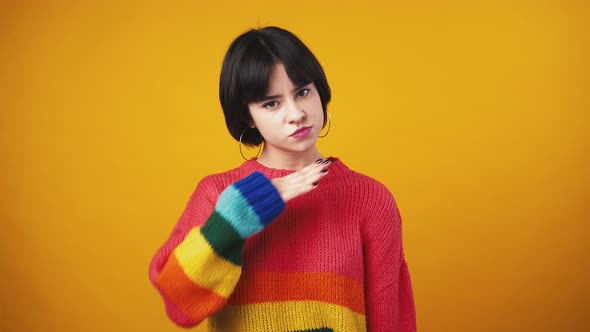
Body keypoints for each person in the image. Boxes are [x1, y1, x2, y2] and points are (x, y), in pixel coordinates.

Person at [149, 26, 416, 331]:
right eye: (271, 103)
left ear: (320, 92)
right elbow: (180, 308)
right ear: (248, 116)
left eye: (302, 92)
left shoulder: (370, 198)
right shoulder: (219, 193)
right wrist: (235, 219)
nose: (296, 114)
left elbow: (390, 320)